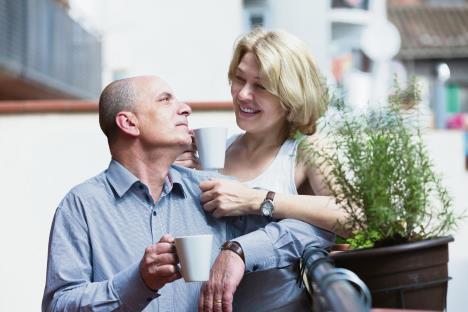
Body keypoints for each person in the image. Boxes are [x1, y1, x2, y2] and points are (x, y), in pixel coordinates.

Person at [42, 75, 334, 312]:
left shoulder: (210, 190)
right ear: (129, 123)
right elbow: (59, 305)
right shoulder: (81, 206)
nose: (185, 108)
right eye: (165, 100)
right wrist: (138, 281)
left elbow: (312, 231)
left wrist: (239, 252)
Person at [178, 28, 348, 311]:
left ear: (290, 94)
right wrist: (182, 176)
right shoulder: (219, 151)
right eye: (239, 78)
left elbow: (353, 217)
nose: (243, 94)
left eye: (261, 85)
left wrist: (257, 200)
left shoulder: (306, 150)